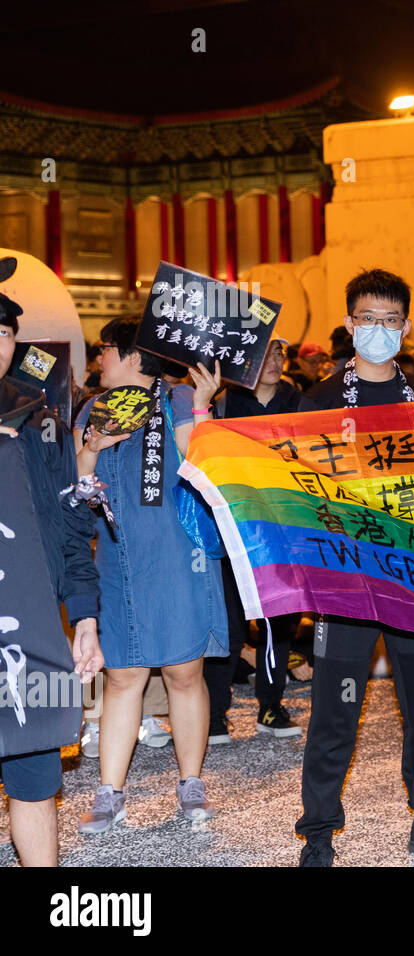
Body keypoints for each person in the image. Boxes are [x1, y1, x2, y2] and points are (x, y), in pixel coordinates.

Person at [295, 271, 414, 866]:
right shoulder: (322, 399)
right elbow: (299, 488)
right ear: (350, 324)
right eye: (367, 319)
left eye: (390, 320)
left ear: (406, 328)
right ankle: (319, 834)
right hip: (347, 579)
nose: (378, 330)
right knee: (335, 709)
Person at [72, 317, 228, 835]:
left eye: (105, 351)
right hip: (116, 557)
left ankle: (190, 783)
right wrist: (93, 445)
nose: (99, 361)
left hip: (177, 554)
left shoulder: (179, 400)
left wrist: (204, 405)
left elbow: (203, 467)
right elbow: (78, 489)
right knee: (123, 676)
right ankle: (109, 793)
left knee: (185, 673)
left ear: (134, 356)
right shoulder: (93, 409)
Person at [0, 298, 104, 865]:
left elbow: (70, 528)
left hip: (28, 642)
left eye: (3, 331)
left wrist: (85, 618)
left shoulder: (38, 420)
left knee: (35, 777)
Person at [204, 338, 303, 743]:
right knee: (228, 623)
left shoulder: (301, 404)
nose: (274, 360)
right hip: (234, 527)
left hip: (284, 528)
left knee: (278, 621)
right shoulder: (224, 404)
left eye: (280, 352)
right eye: (265, 353)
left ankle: (270, 704)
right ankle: (214, 712)